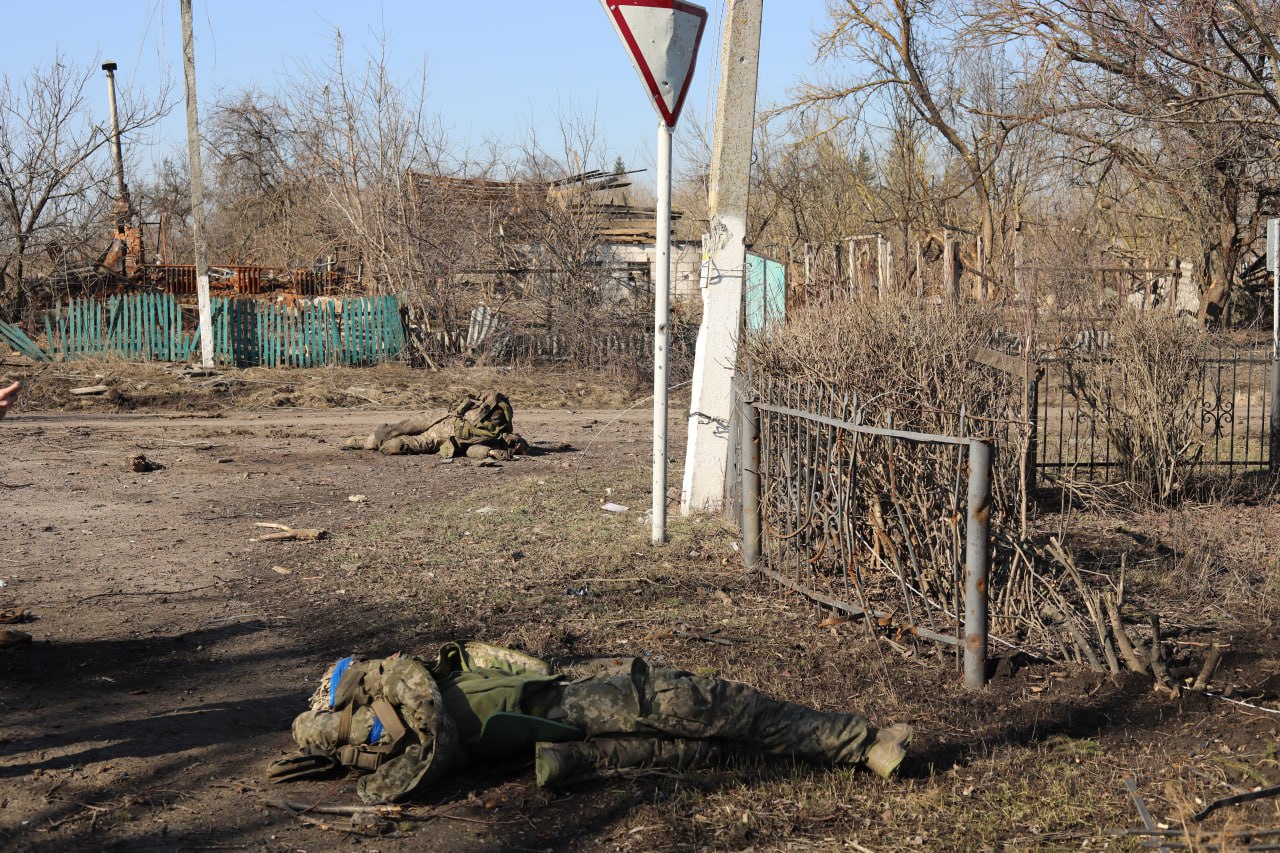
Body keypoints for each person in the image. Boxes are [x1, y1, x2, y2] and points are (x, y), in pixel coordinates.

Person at [268, 642, 912, 804]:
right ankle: (863, 744)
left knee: (709, 744)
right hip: (580, 710)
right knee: (716, 706)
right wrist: (358, 713)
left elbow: (424, 707)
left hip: (570, 732)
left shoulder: (415, 721)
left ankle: (855, 746)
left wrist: (347, 742)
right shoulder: (413, 705)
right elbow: (413, 687)